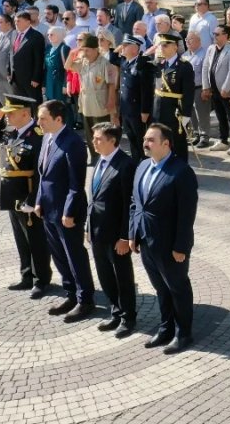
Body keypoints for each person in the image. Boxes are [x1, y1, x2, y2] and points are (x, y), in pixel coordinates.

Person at [129, 123, 199, 354]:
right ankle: (166, 328)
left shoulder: (181, 172)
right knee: (161, 288)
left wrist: (181, 246)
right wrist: (132, 234)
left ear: (166, 144)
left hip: (170, 246)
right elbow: (135, 204)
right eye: (145, 139)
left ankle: (183, 333)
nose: (145, 143)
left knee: (177, 288)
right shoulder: (141, 167)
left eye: (151, 140)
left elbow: (186, 215)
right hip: (147, 241)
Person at [34, 99, 96, 322]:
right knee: (59, 255)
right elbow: (43, 175)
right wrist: (39, 201)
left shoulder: (73, 143)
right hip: (48, 210)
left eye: (43, 118)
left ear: (58, 119)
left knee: (74, 255)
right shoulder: (47, 138)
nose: (38, 122)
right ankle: (70, 293)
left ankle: (85, 299)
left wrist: (69, 213)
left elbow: (75, 183)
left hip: (66, 213)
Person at [0, 94, 51, 298]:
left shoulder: (37, 136)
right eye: (6, 113)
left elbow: (41, 172)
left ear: (24, 113)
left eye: (11, 113)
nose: (7, 117)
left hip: (26, 194)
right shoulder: (11, 132)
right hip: (11, 195)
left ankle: (42, 279)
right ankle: (26, 276)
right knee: (21, 238)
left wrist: (33, 200)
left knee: (36, 240)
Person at [87, 123, 139, 336]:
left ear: (112, 141)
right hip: (97, 232)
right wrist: (87, 227)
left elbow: (129, 205)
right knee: (105, 275)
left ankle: (128, 317)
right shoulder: (100, 161)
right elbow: (94, 199)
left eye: (98, 139)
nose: (94, 142)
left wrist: (125, 237)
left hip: (116, 236)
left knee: (122, 277)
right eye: (94, 138)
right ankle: (115, 312)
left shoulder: (126, 165)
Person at [65, 33, 120, 153]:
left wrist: (111, 102)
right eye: (83, 50)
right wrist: (72, 52)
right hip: (86, 104)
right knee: (89, 132)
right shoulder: (83, 62)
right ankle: (93, 154)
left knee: (101, 131)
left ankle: (104, 153)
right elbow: (67, 66)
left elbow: (111, 84)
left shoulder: (105, 63)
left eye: (87, 50)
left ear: (96, 50)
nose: (85, 53)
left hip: (100, 103)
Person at [152, 32, 196, 162]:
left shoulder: (184, 66)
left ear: (175, 47)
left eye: (165, 45)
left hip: (175, 111)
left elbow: (188, 92)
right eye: (160, 45)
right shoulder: (159, 64)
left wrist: (186, 115)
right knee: (159, 140)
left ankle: (181, 169)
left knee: (176, 142)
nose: (162, 48)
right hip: (158, 110)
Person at [201, 24, 230, 154]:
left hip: (226, 90)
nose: (214, 36)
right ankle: (223, 140)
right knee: (220, 116)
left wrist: (226, 88)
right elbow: (205, 67)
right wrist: (205, 87)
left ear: (225, 36)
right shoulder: (211, 48)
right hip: (213, 89)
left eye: (217, 34)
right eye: (214, 34)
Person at [117, 35, 154, 159]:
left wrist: (145, 110)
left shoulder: (143, 65)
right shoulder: (125, 63)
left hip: (137, 110)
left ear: (135, 48)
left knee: (141, 139)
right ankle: (135, 162)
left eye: (126, 45)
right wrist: (120, 47)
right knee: (131, 138)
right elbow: (112, 56)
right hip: (126, 109)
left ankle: (144, 162)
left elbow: (146, 90)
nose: (122, 47)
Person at [11, 12, 46, 103]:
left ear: (27, 22)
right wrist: (9, 71)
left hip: (30, 78)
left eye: (19, 21)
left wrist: (36, 78)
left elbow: (39, 59)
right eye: (15, 21)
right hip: (16, 77)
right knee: (21, 104)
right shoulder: (14, 34)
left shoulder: (36, 36)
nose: (16, 23)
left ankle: (36, 117)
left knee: (34, 102)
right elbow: (11, 54)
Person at [44, 27, 71, 105]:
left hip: (60, 82)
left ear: (59, 35)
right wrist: (44, 84)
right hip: (49, 82)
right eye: (48, 34)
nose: (49, 36)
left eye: (52, 34)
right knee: (51, 106)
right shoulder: (48, 48)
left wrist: (65, 85)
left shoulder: (65, 48)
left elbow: (68, 69)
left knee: (61, 106)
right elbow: (46, 68)